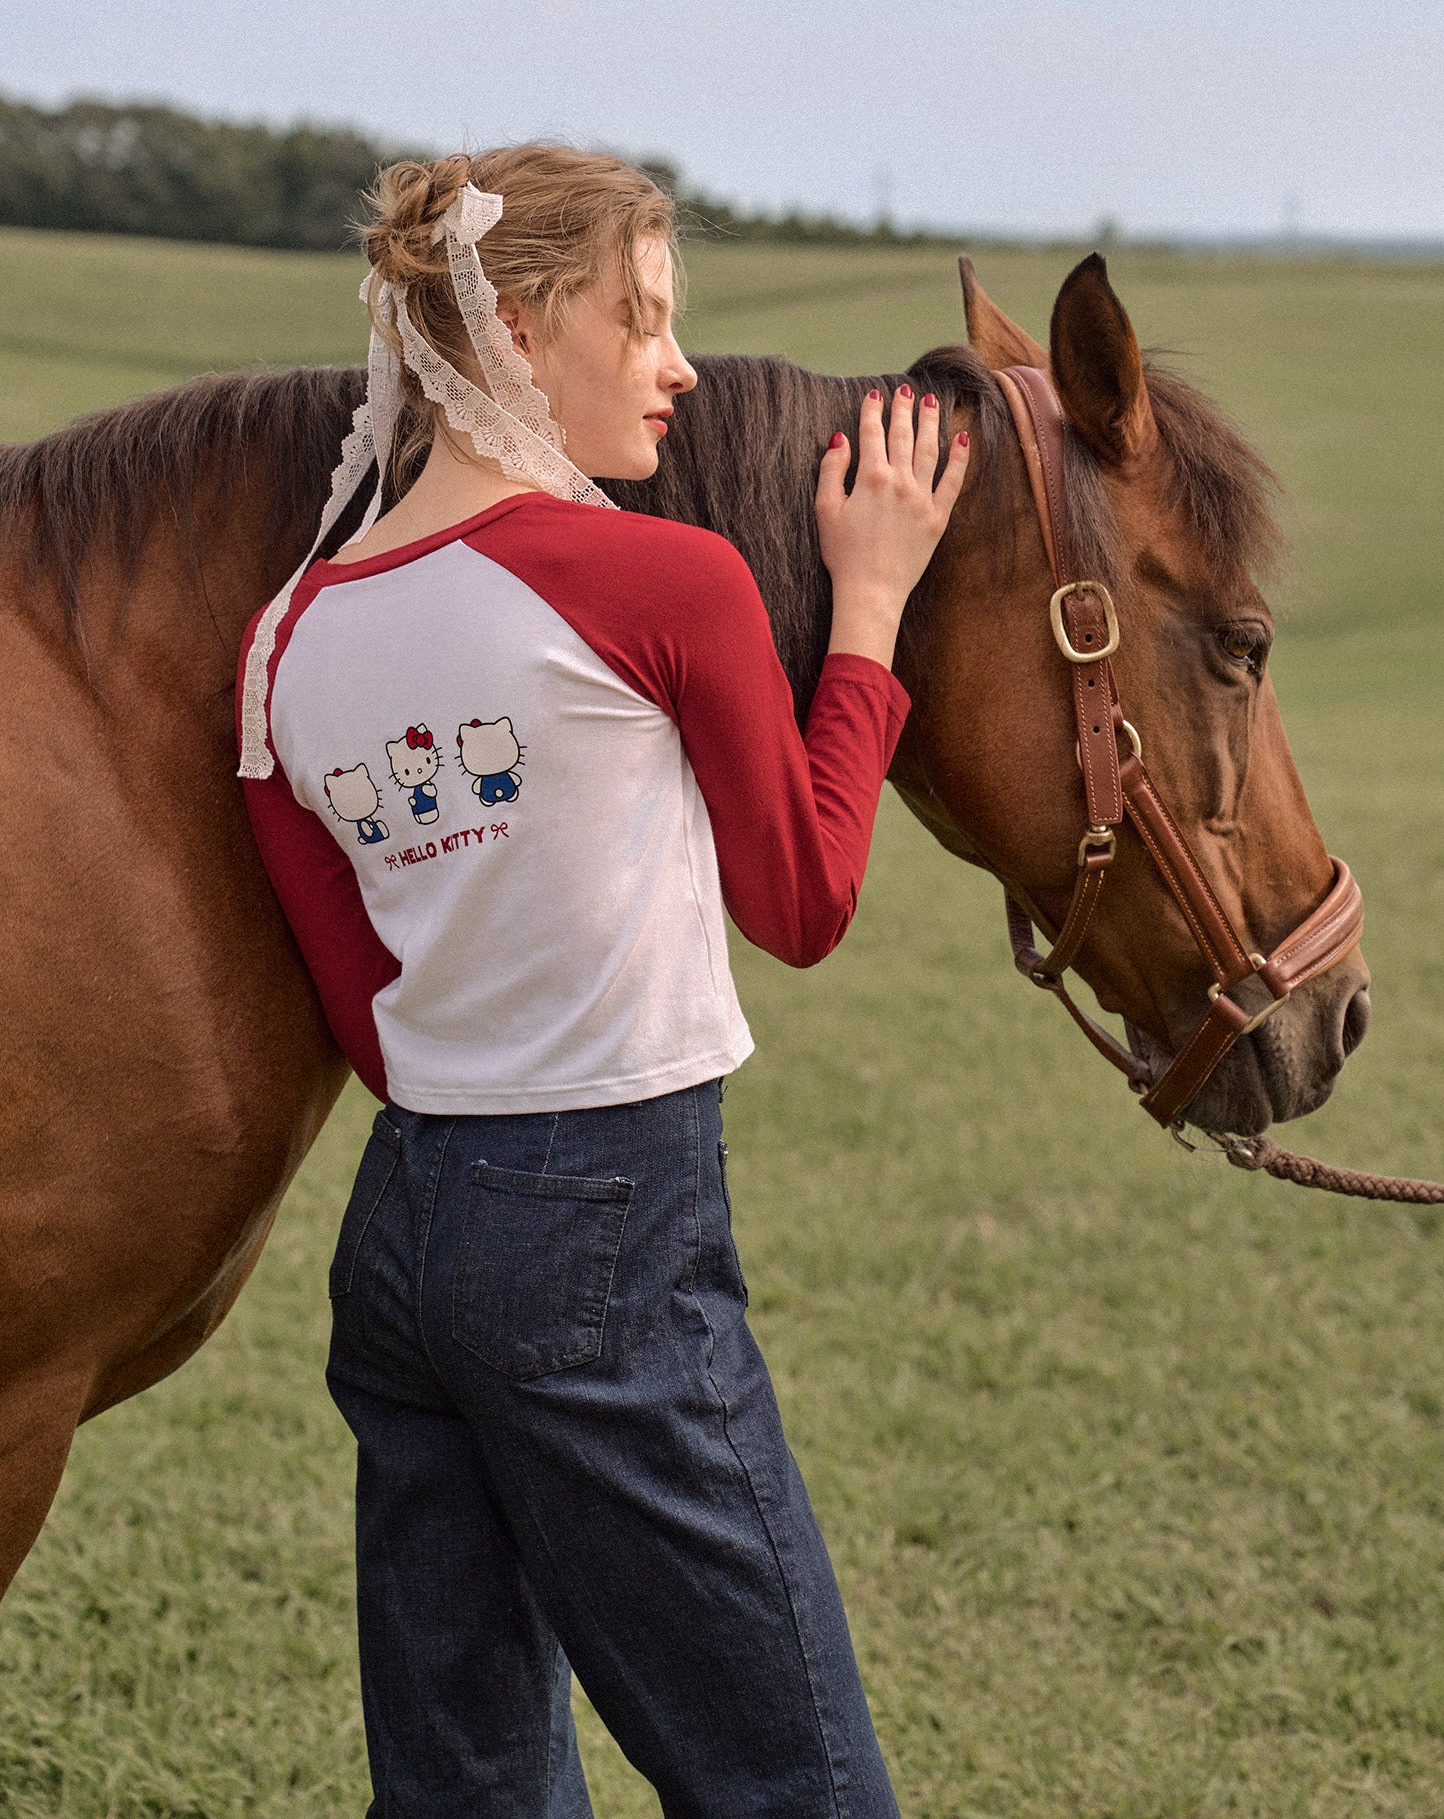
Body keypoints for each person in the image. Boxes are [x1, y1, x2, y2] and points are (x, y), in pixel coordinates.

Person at [238, 143, 968, 1818]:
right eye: (639, 320)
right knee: (798, 1783)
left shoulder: (282, 647)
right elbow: (803, 897)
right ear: (516, 321)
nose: (679, 367)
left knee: (468, 1789)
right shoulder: (663, 579)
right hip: (607, 1234)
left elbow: (376, 1024)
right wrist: (866, 609)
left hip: (409, 1234)